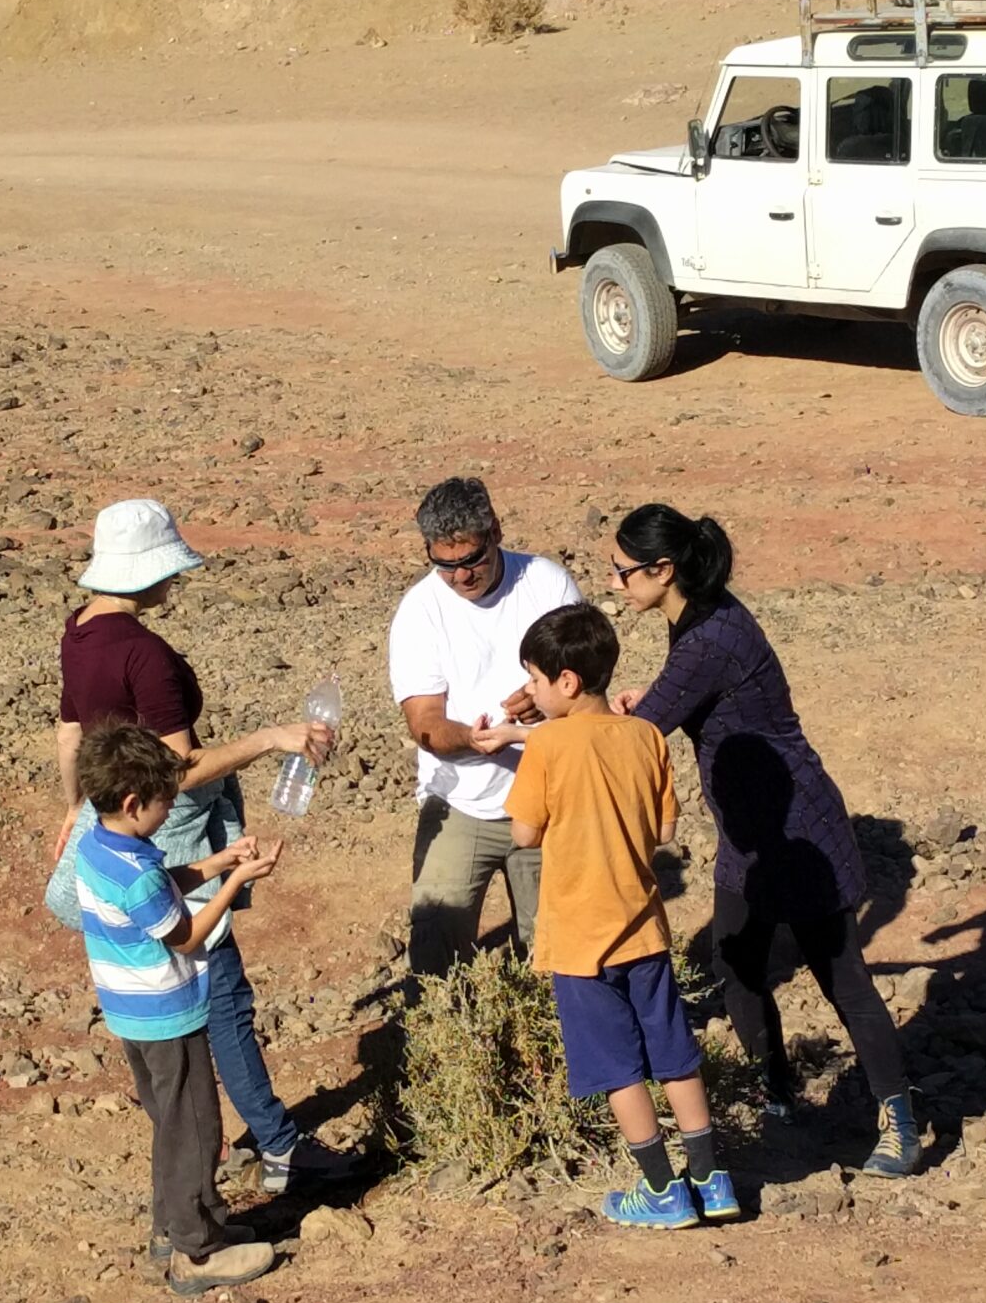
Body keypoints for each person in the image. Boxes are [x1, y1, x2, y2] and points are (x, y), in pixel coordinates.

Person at [51, 498, 359, 1196]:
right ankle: (277, 1144)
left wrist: (75, 805)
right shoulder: (146, 654)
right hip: (172, 822)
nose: (175, 583)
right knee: (217, 982)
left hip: (117, 817)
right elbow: (178, 769)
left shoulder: (79, 633)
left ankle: (224, 1143)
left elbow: (69, 729)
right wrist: (269, 740)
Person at [609, 504, 922, 1179]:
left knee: (845, 983)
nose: (615, 583)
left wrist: (551, 726)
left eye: (623, 571)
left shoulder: (704, 642)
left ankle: (901, 1122)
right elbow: (683, 698)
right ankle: (777, 1092)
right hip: (752, 836)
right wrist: (656, 694)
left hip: (800, 834)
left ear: (663, 572)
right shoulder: (704, 617)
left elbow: (638, 738)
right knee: (737, 966)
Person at [506, 604, 733, 1228]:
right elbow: (663, 828)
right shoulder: (647, 736)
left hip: (580, 940)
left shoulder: (547, 744)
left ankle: (661, 1189)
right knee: (675, 1053)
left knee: (617, 1067)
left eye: (533, 679)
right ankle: (713, 1180)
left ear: (567, 682)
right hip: (644, 929)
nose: (528, 692)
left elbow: (525, 831)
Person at [73, 722, 283, 1295]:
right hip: (170, 1014)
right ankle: (198, 1253)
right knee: (195, 1129)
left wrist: (217, 861)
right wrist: (236, 878)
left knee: (169, 1125)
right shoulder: (138, 874)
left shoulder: (98, 845)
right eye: (167, 803)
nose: (171, 812)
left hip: (130, 1015)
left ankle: (174, 1226)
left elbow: (164, 885)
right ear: (134, 802)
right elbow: (187, 935)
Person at [387, 478, 583, 977]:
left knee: (558, 957)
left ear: (495, 531)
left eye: (471, 558)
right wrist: (471, 740)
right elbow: (425, 723)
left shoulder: (547, 584)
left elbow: (584, 685)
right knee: (435, 960)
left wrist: (547, 702)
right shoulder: (420, 611)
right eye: (444, 563)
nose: (460, 576)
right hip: (459, 803)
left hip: (547, 801)